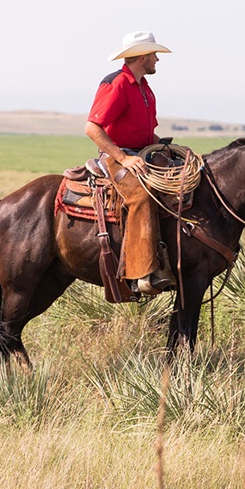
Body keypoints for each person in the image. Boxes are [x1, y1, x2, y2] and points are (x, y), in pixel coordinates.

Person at [84, 31, 175, 295]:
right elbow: (92, 127)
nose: (157, 59)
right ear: (143, 56)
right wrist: (123, 157)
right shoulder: (117, 84)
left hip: (143, 152)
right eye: (154, 54)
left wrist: (169, 148)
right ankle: (141, 273)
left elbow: (147, 133)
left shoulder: (145, 87)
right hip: (118, 155)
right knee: (141, 197)